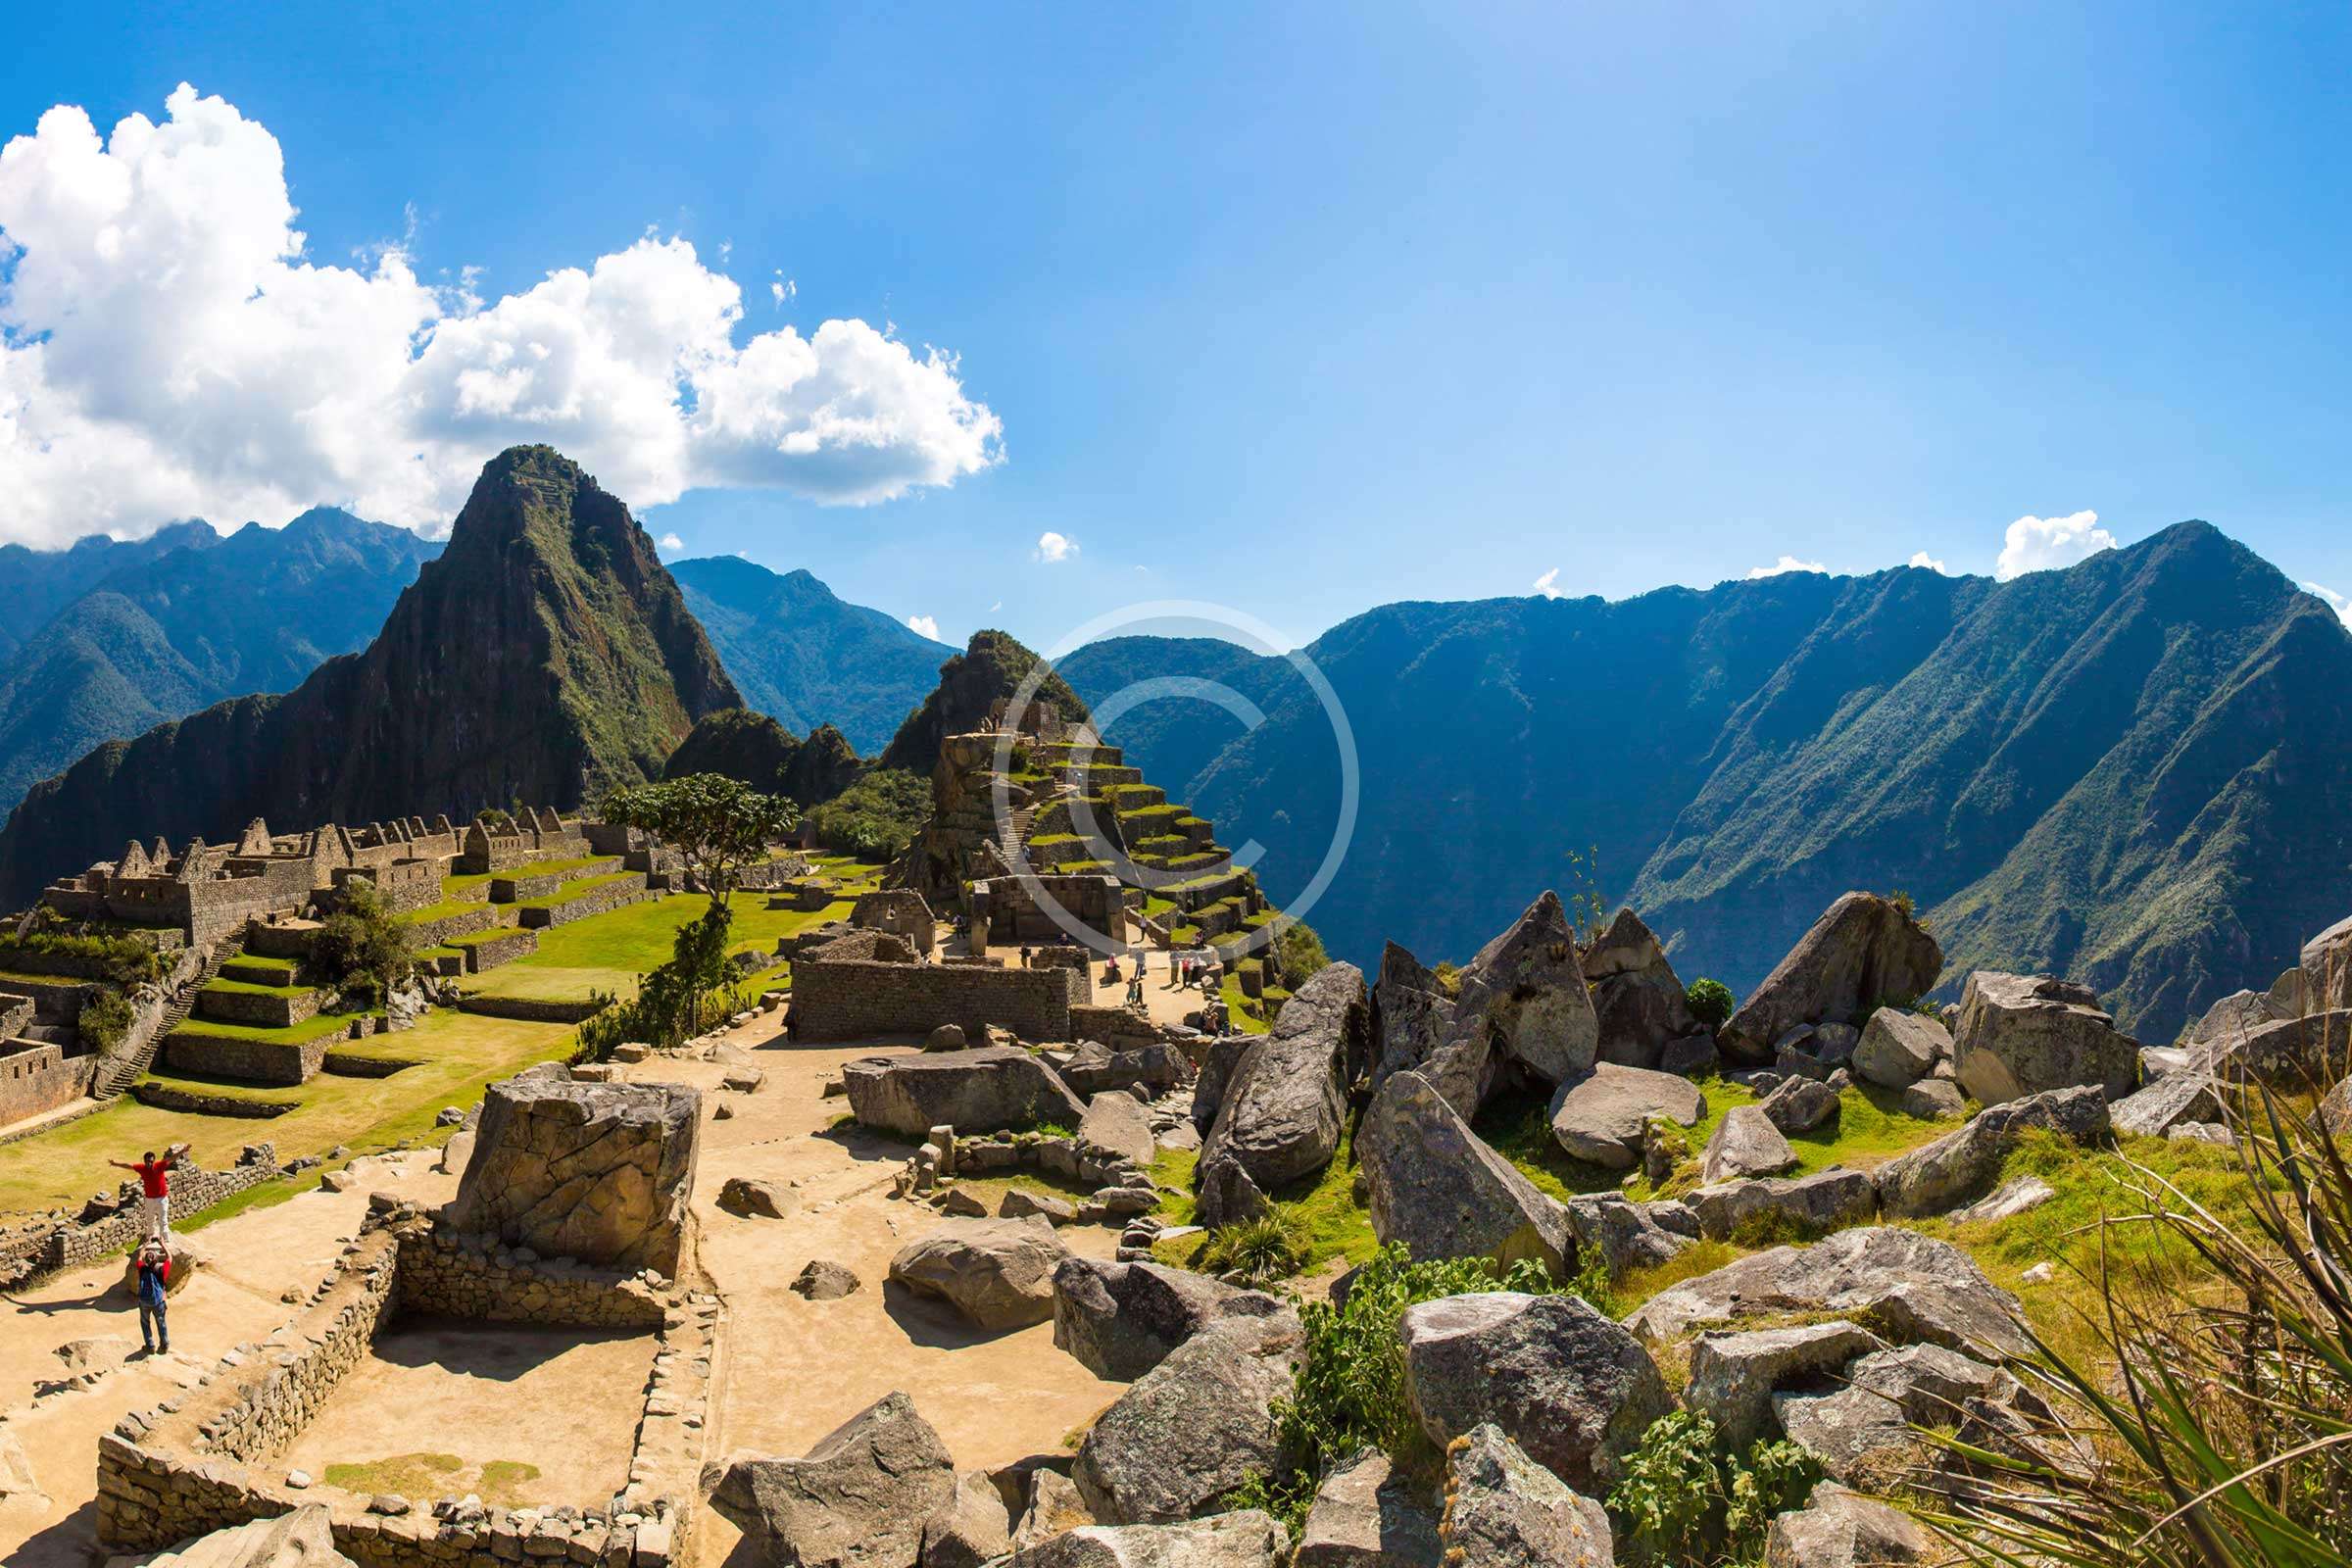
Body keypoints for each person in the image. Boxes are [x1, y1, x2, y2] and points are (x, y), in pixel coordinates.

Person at [110, 1149, 178, 1240]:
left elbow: (172, 1158)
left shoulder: (159, 1165)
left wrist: (183, 1151)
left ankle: (165, 1239)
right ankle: (150, 1236)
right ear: (144, 1161)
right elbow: (128, 1165)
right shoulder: (142, 1168)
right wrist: (115, 1164)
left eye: (151, 1161)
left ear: (154, 1160)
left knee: (163, 1220)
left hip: (161, 1199)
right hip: (149, 1199)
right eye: (148, 1161)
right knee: (150, 1219)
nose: (150, 1163)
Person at [133, 1238, 172, 1355]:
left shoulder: (142, 1269)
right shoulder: (161, 1269)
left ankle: (150, 1345)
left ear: (146, 1260)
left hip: (144, 1301)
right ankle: (164, 1345)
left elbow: (139, 1257)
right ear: (156, 1259)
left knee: (145, 1322)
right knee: (161, 1322)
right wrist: (162, 1244)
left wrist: (146, 1244)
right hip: (158, 1300)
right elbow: (169, 1258)